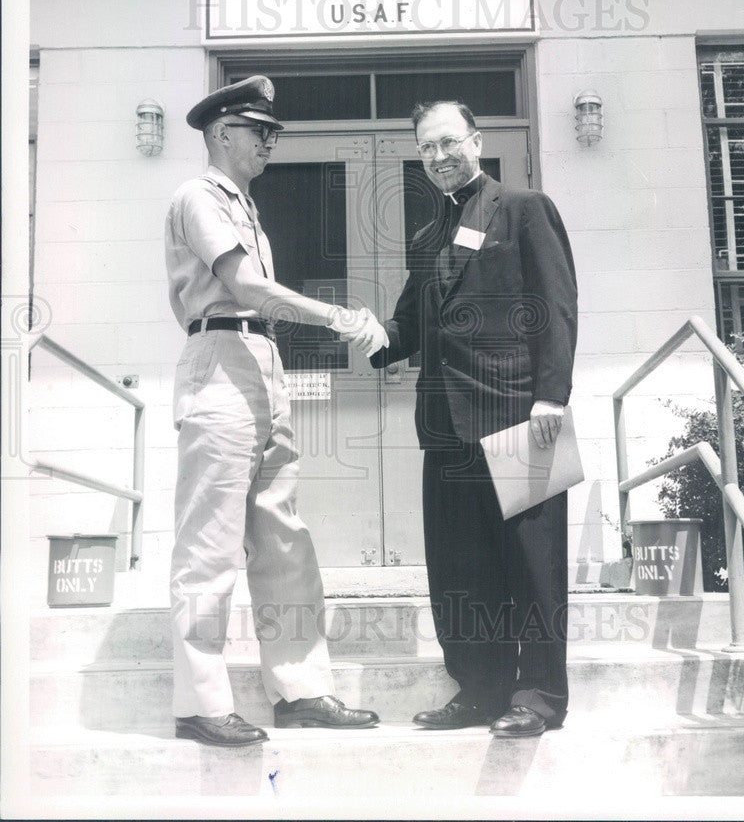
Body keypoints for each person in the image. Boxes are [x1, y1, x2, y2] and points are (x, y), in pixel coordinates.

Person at [165, 75, 388, 746]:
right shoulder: (198, 196)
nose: (268, 141)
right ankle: (200, 704)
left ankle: (300, 689)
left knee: (284, 539)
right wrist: (340, 318)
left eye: (271, 132)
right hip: (219, 362)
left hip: (261, 363)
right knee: (208, 544)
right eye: (256, 130)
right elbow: (244, 287)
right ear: (219, 133)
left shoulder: (247, 208)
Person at [370, 100, 577, 738]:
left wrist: (552, 396)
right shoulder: (429, 234)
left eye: (448, 143)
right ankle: (479, 689)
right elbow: (410, 321)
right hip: (446, 425)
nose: (438, 157)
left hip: (522, 414)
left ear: (477, 141)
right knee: (462, 570)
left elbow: (558, 302)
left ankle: (538, 698)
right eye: (427, 148)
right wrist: (369, 335)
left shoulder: (524, 208)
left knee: (533, 567)